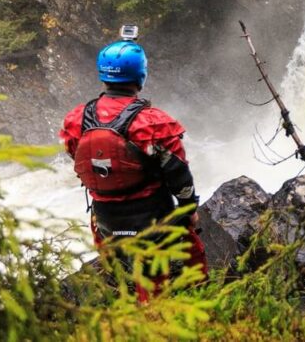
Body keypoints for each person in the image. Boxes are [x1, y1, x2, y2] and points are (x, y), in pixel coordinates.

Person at [60, 35, 208, 298]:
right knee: (187, 256)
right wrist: (189, 210)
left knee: (123, 274)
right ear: (141, 75)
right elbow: (178, 173)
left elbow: (78, 158)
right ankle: (201, 297)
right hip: (151, 217)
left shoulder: (76, 119)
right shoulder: (153, 123)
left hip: (104, 216)